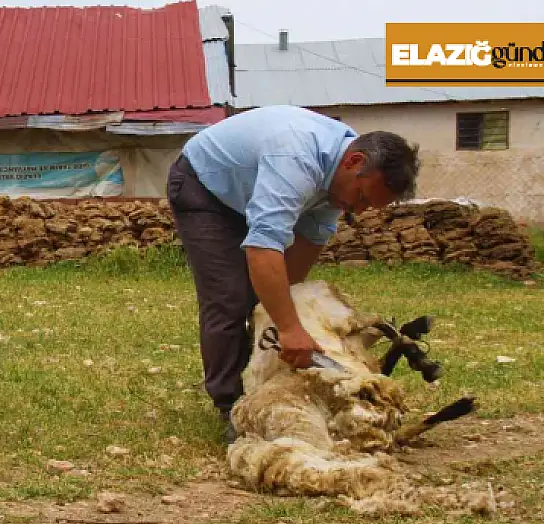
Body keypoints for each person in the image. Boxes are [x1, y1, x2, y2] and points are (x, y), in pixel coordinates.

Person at [167, 105, 420, 443]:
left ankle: (262, 381)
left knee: (265, 300)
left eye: (367, 207)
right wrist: (288, 327)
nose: (357, 211)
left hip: (246, 191)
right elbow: (263, 247)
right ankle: (231, 405)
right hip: (204, 187)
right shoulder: (296, 157)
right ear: (354, 162)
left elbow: (305, 246)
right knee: (230, 297)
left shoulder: (337, 181)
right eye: (361, 197)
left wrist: (286, 314)